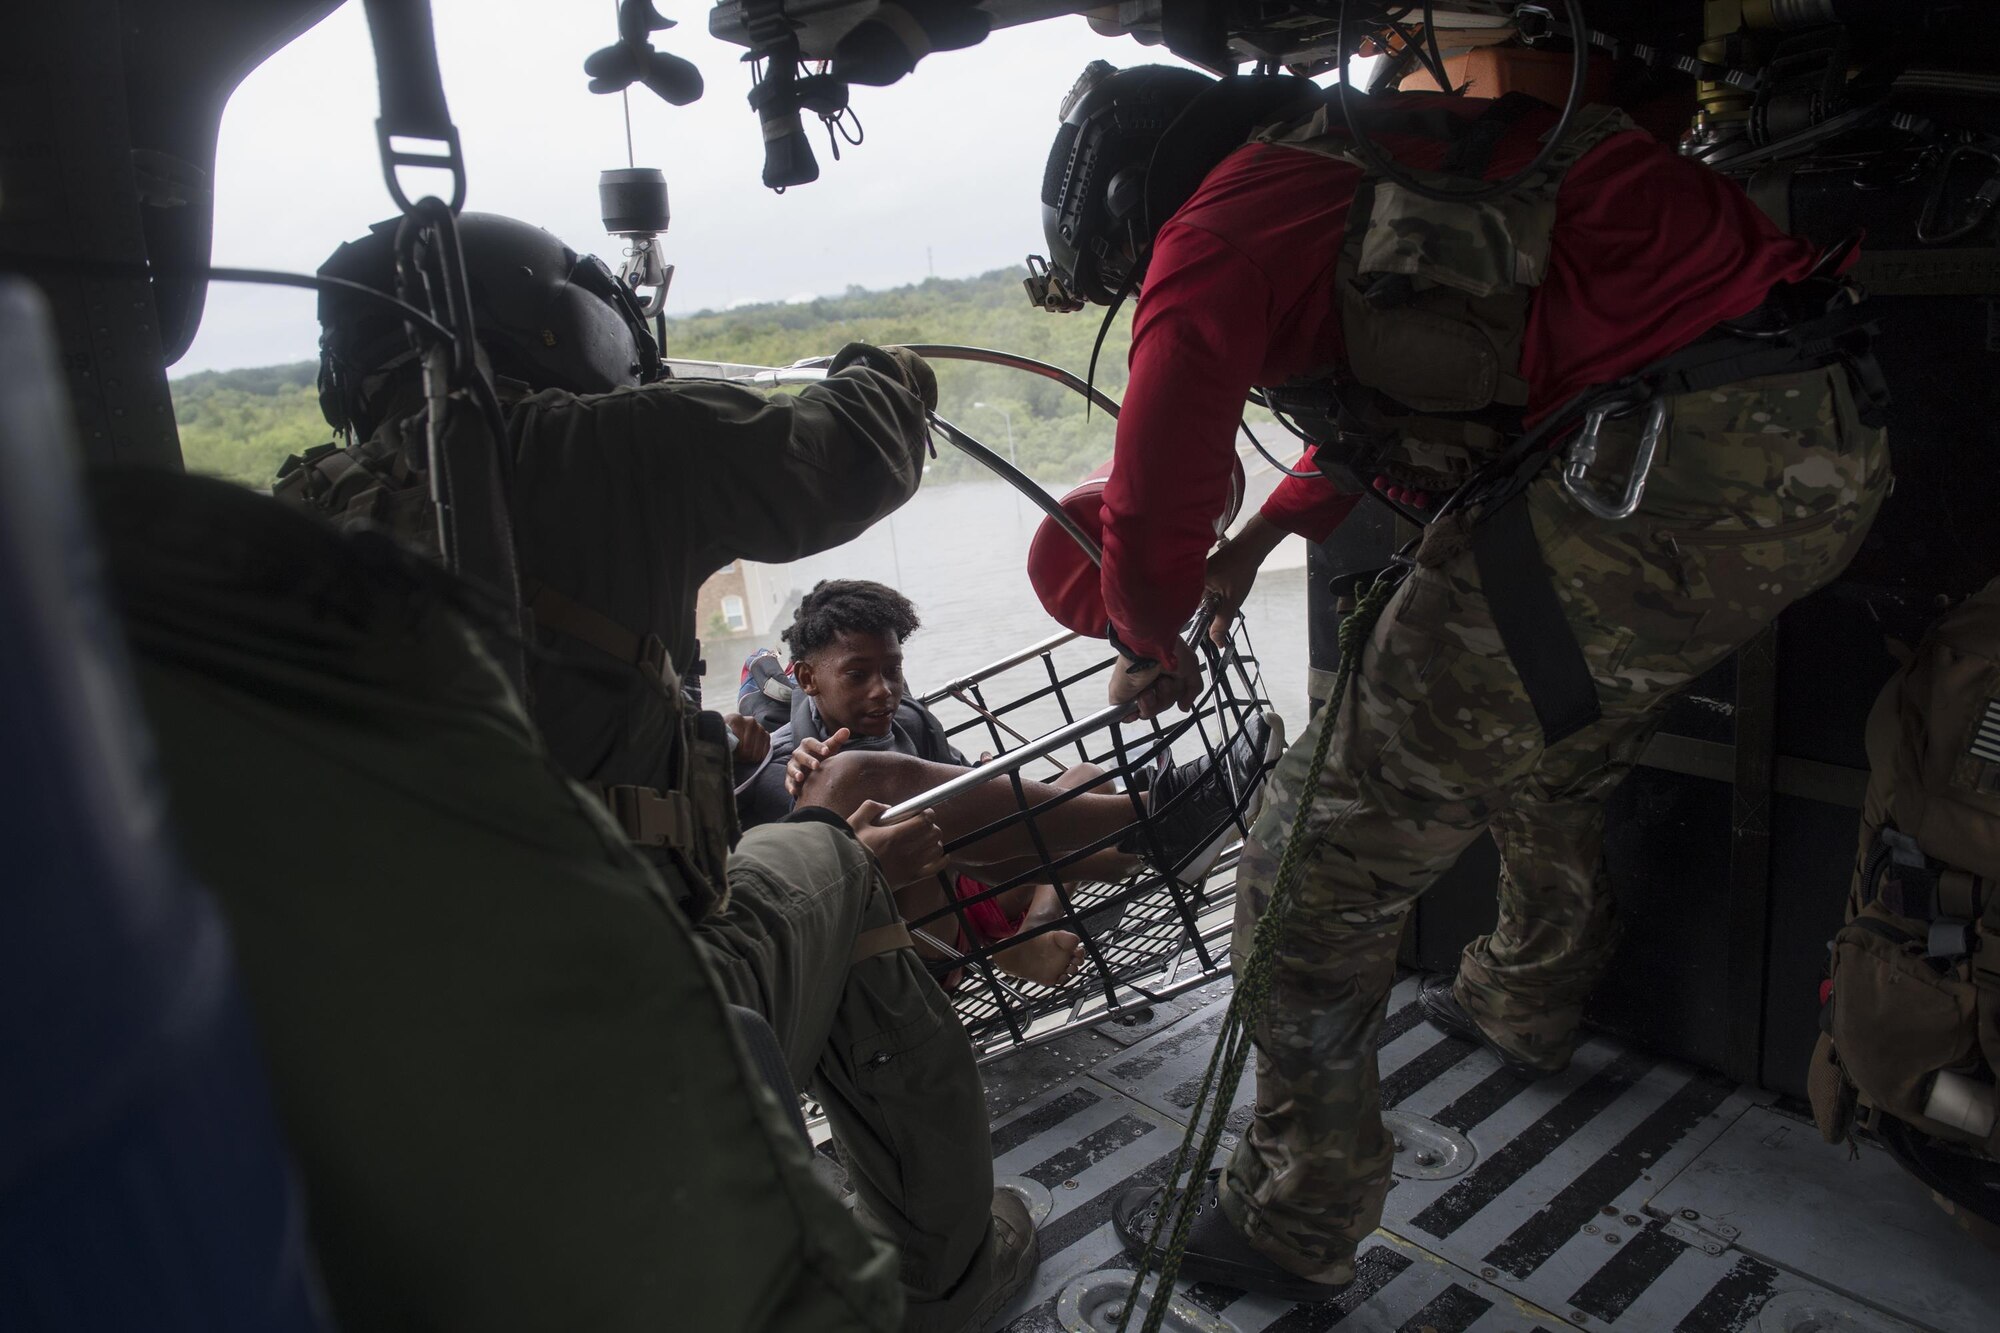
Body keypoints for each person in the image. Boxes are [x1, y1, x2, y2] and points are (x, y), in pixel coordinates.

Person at [1024, 63, 1890, 1297]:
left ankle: (1291, 1216)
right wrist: (1258, 547)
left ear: (1130, 201)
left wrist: (1149, 637)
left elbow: (1151, 515)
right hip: (1816, 440)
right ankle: (1522, 993)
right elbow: (1394, 401)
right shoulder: (1376, 156)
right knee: (1544, 727)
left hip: (1660, 470)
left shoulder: (1210, 232)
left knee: (1308, 862)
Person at [276, 212, 1030, 1332]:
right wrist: (881, 372)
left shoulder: (296, 523)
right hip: (609, 1031)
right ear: (559, 325)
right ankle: (940, 1279)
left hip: (397, 1068)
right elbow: (854, 455)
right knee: (833, 859)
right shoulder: (593, 445)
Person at [738, 578, 1281, 986]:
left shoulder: (912, 721)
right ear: (807, 679)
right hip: (913, 935)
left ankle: (1043, 921)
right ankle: (1153, 831)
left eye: (894, 671)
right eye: (858, 675)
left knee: (1088, 778)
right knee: (886, 800)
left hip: (984, 887)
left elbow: (973, 817)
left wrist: (975, 778)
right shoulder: (791, 766)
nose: (884, 690)